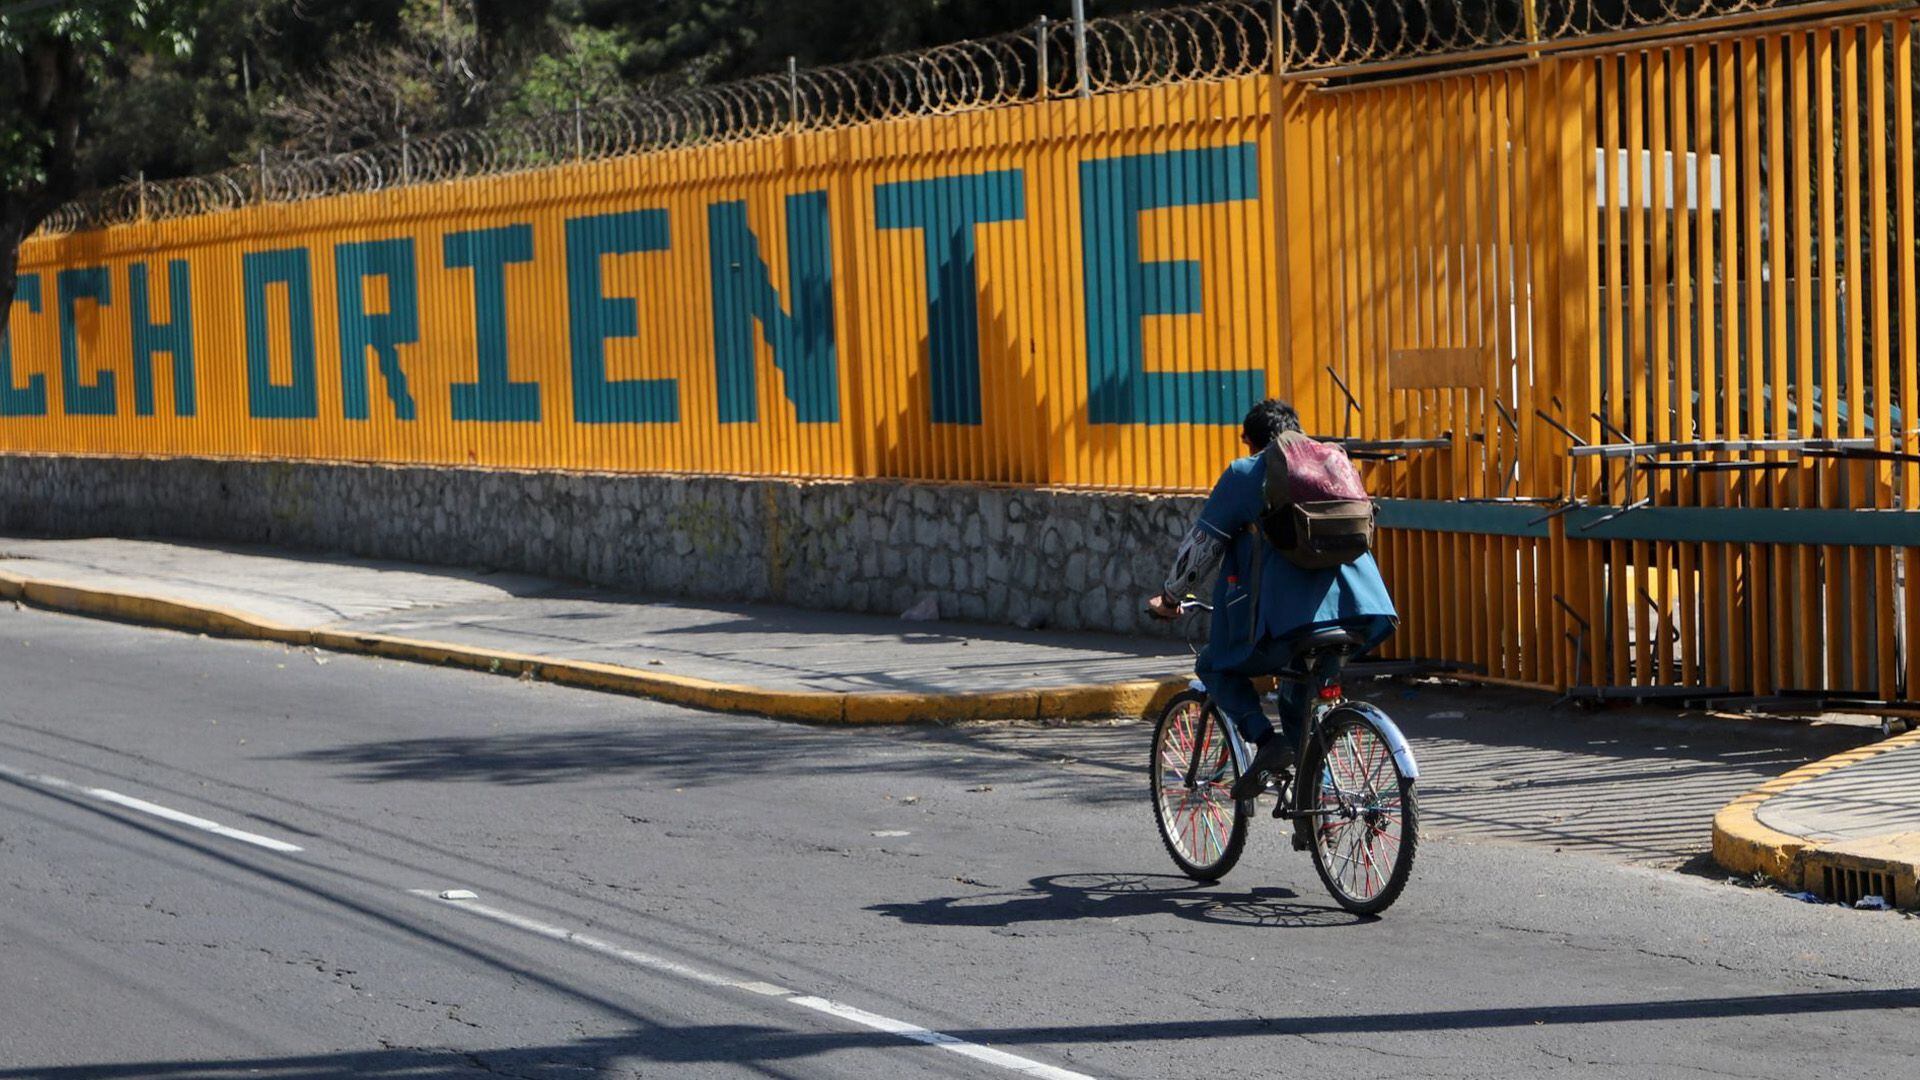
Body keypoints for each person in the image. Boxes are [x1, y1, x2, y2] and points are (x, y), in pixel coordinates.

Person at [1146, 398, 1397, 800]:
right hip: (1361, 614)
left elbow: (1203, 546)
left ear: (1249, 440)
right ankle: (1321, 798)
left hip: (1288, 624)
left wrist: (1171, 597)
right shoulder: (1335, 462)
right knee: (1305, 692)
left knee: (1214, 665)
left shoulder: (1248, 473)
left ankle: (1266, 743)